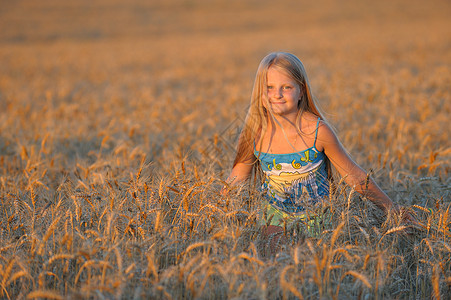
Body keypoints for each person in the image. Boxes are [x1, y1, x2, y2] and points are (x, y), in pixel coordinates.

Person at [223, 52, 410, 249]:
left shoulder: (317, 131)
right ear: (260, 93)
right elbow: (236, 180)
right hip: (273, 219)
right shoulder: (255, 132)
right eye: (269, 88)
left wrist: (393, 209)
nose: (277, 94)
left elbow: (353, 175)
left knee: (312, 266)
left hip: (317, 219)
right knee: (275, 263)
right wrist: (210, 211)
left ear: (301, 91)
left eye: (286, 87)